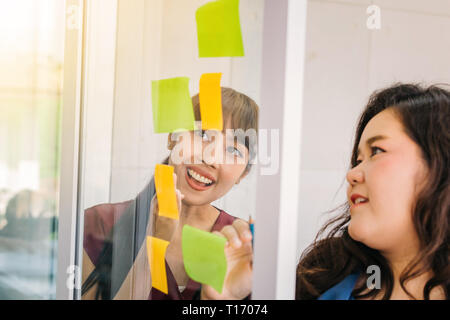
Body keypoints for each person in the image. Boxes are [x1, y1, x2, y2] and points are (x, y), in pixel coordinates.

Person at [202, 83, 449, 300]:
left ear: (439, 165)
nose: (352, 174)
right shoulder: (320, 275)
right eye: (358, 159)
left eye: (376, 151)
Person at [81, 87, 259, 300]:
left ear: (244, 173)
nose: (210, 158)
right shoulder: (99, 223)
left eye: (233, 150)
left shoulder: (243, 247)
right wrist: (154, 246)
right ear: (172, 138)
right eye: (203, 134)